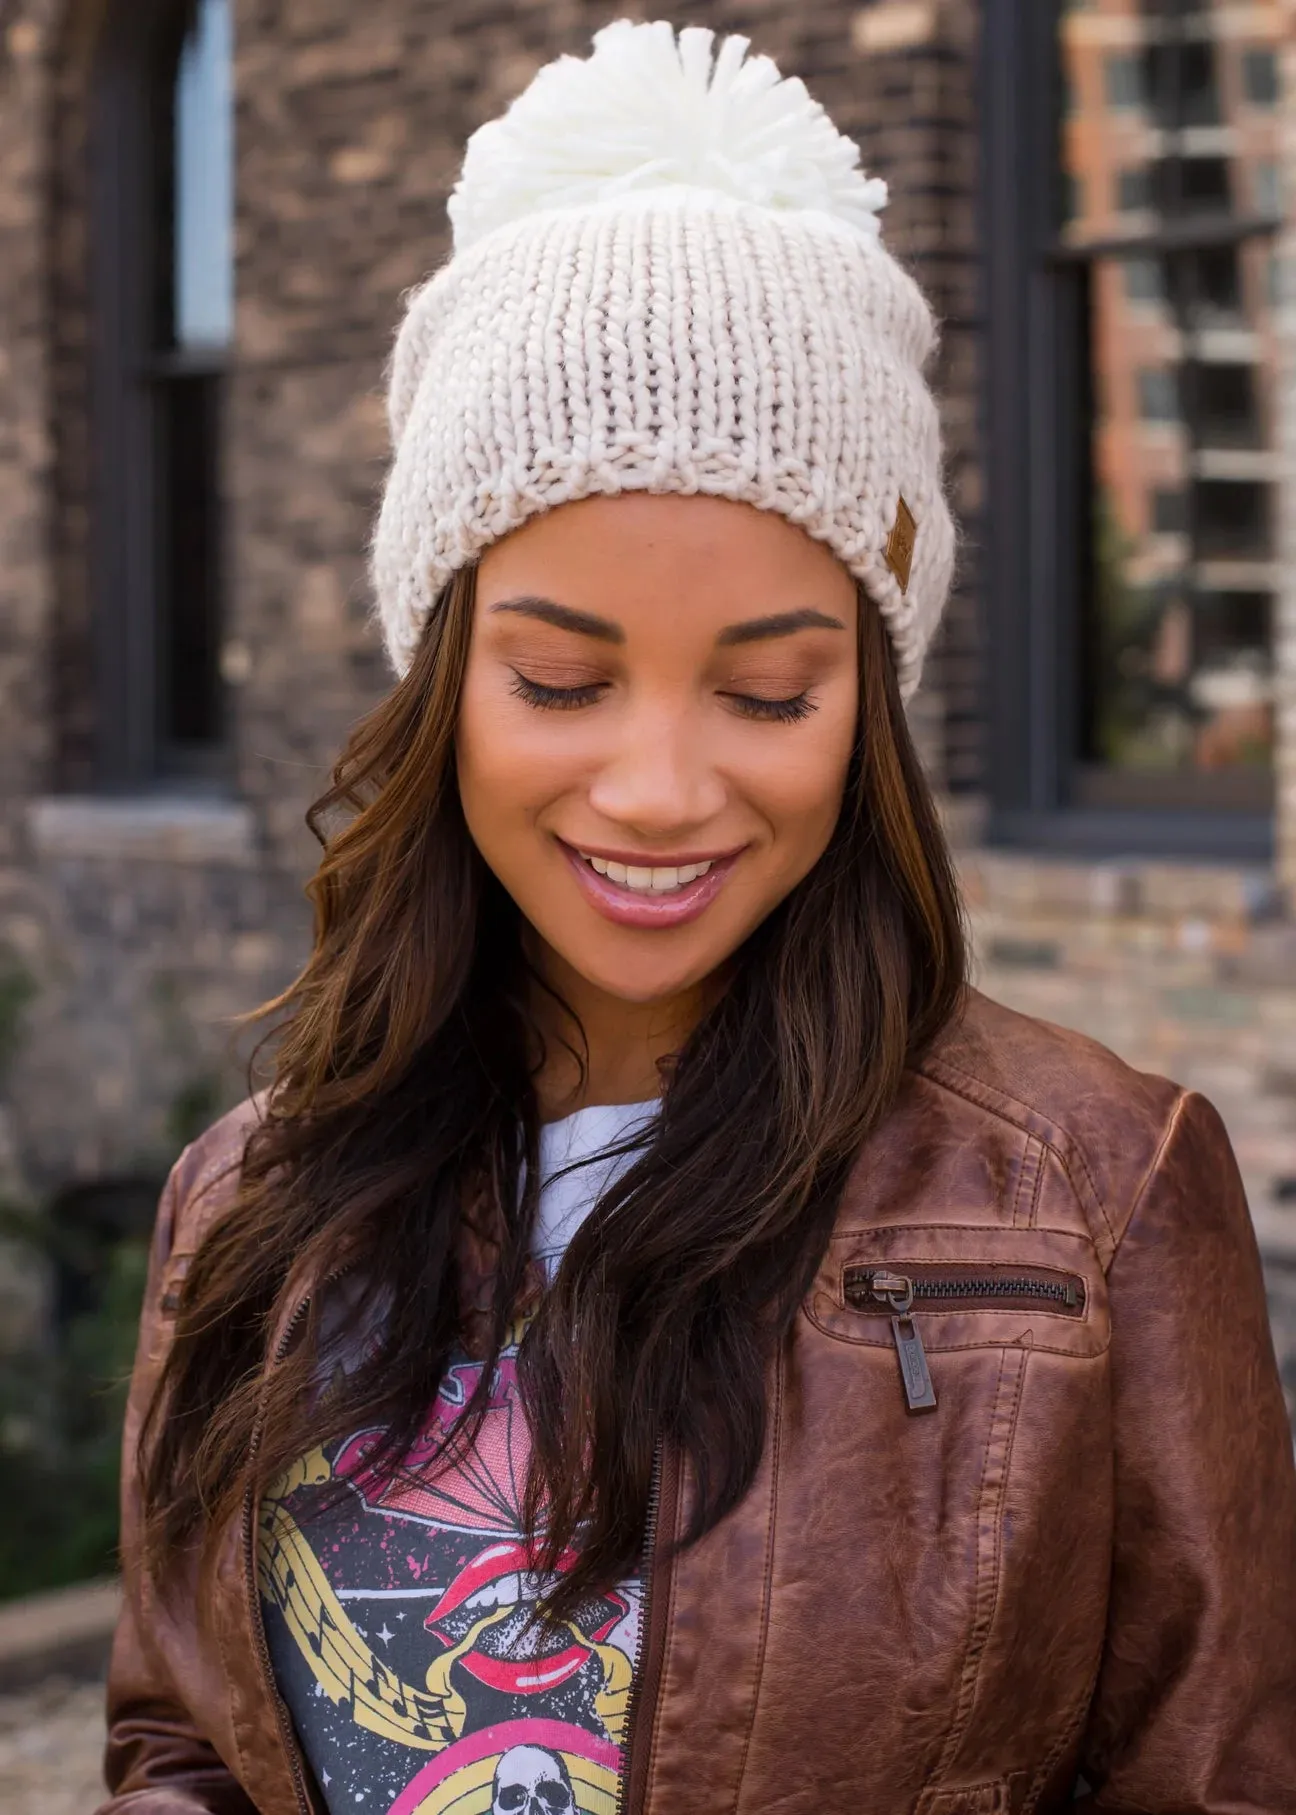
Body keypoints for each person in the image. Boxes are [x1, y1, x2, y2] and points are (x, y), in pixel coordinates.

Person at [101, 22, 1296, 1815]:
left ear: (869, 715)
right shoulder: (245, 1202)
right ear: (447, 690)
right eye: (564, 679)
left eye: (766, 695)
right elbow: (183, 1737)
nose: (659, 790)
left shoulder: (1101, 1197)